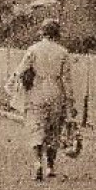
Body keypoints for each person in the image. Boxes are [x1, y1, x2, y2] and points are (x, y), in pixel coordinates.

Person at [15, 18, 73, 181]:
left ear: (43, 33)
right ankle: (50, 167)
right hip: (55, 91)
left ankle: (37, 163)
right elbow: (67, 80)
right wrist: (70, 101)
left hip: (36, 91)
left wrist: (20, 84)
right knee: (53, 129)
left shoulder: (33, 49)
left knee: (37, 127)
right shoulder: (63, 52)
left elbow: (20, 70)